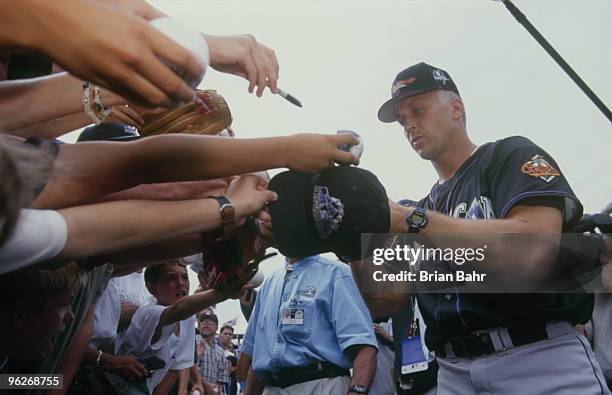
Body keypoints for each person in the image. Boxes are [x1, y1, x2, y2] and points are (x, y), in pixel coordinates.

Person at [363, 61, 606, 394]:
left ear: (456, 109)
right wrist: (350, 236)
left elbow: (533, 252)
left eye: (418, 110)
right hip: (452, 371)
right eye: (403, 119)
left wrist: (409, 220)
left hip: (536, 357)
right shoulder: (423, 208)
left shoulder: (507, 156)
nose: (409, 125)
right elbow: (384, 301)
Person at [240, 250, 378, 395]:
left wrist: (356, 391)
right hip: (272, 387)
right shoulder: (269, 283)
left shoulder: (336, 273)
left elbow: (365, 348)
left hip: (321, 385)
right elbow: (259, 358)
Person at [118, 259, 245, 394]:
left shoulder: (187, 320)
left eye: (185, 277)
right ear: (152, 288)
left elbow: (176, 367)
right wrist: (222, 292)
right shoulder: (147, 313)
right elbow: (178, 309)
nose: (181, 284)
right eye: (171, 278)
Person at [196, 311, 229, 394]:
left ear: (217, 327)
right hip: (195, 389)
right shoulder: (194, 341)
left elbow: (221, 380)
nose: (205, 325)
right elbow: (186, 369)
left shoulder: (220, 351)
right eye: (203, 322)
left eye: (209, 322)